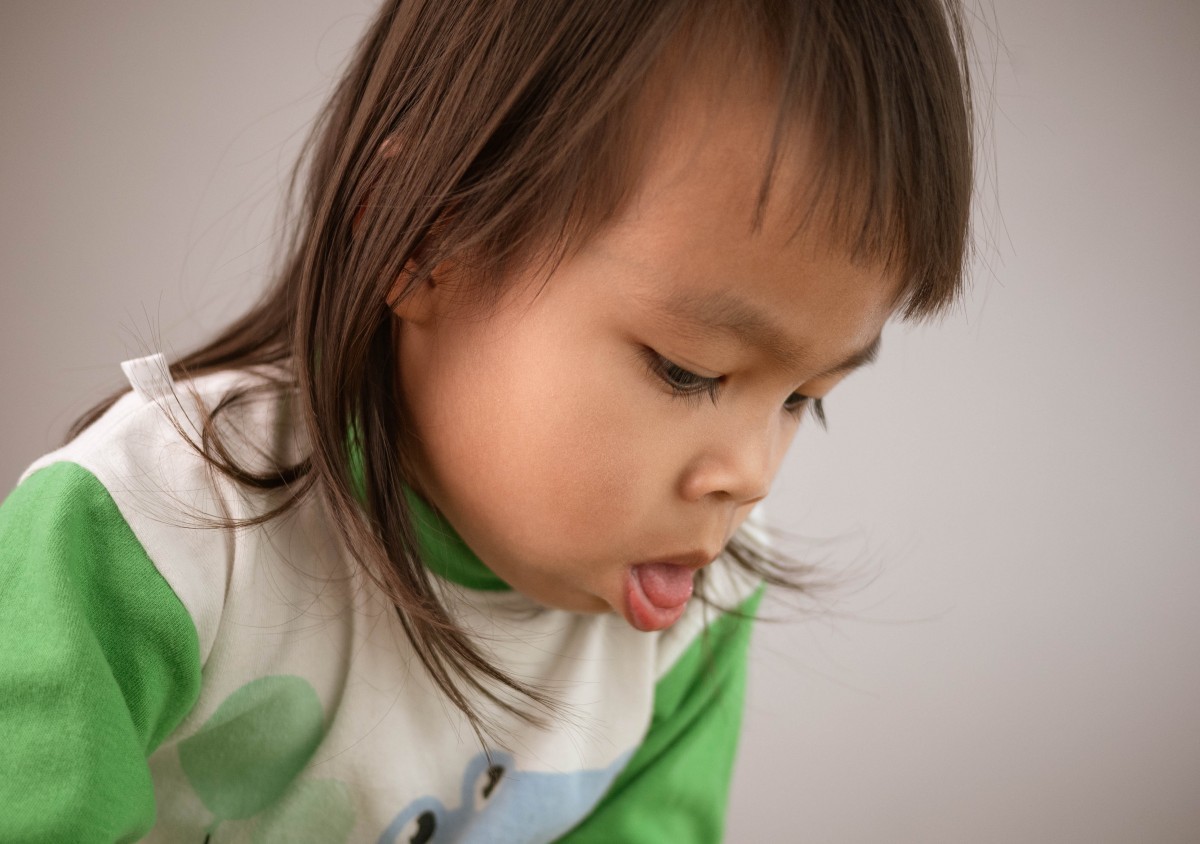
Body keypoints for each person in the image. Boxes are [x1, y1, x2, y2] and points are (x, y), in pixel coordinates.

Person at [0, 1, 975, 841]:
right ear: (429, 240)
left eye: (805, 399)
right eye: (689, 371)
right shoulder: (149, 538)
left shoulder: (697, 616)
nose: (751, 473)